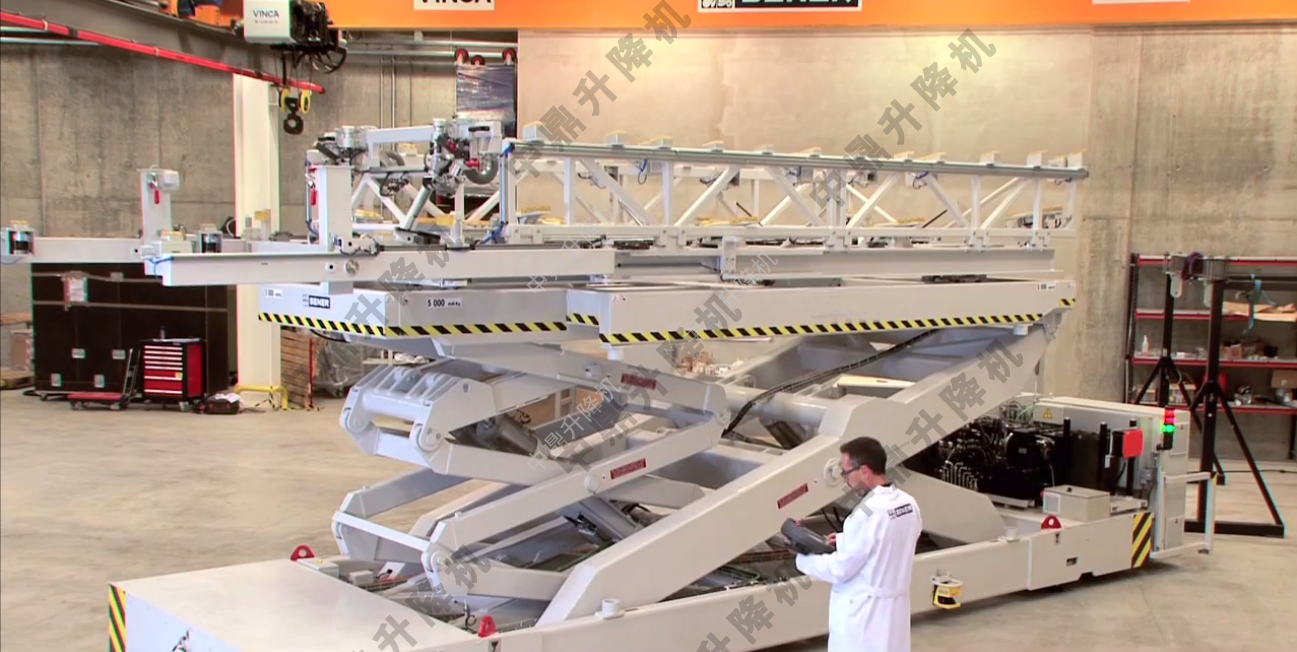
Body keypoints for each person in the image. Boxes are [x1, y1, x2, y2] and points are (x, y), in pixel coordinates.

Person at [795, 437, 923, 652]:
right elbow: (892, 539)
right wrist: (844, 539)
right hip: (895, 611)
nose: (845, 480)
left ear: (864, 471)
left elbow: (840, 569)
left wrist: (803, 559)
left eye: (846, 473)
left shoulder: (865, 514)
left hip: (864, 616)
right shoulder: (908, 503)